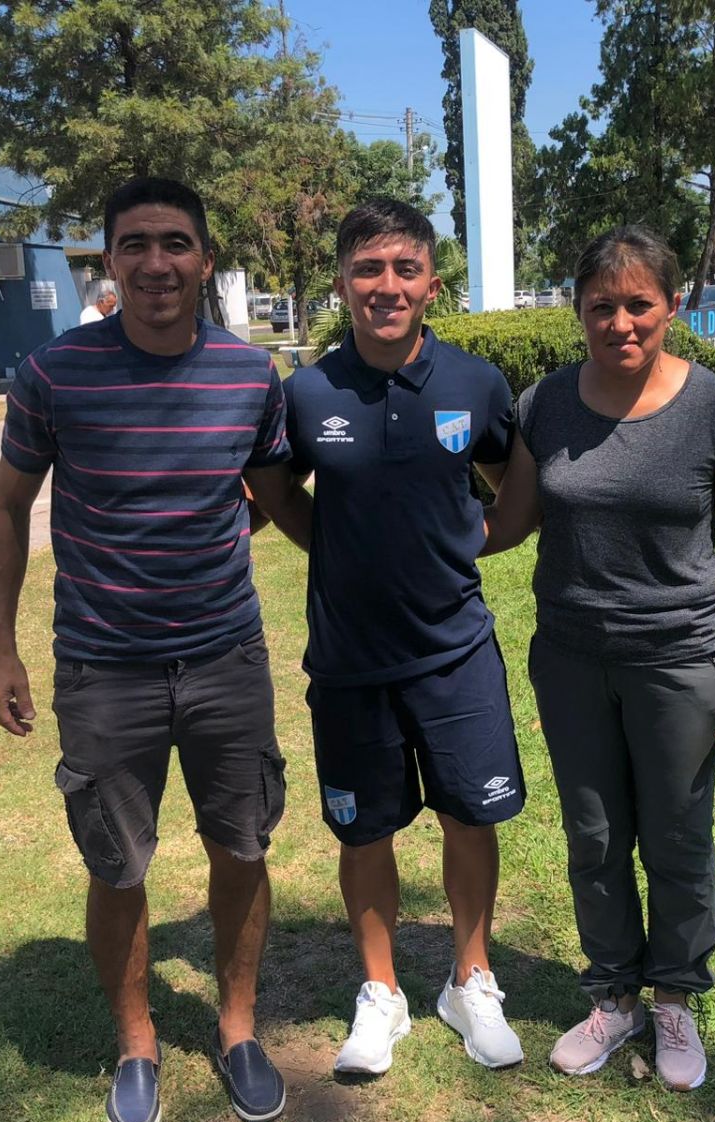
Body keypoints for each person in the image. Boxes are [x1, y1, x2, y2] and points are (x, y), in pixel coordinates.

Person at [0, 176, 298, 1122]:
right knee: (117, 864)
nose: (156, 263)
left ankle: (237, 1029)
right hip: (103, 670)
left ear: (205, 259)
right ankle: (137, 1043)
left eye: (175, 243)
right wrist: (0, 648)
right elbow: (7, 507)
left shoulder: (250, 376)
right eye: (135, 245)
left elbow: (276, 497)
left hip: (226, 661)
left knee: (242, 847)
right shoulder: (53, 374)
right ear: (109, 261)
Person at [483, 225, 715, 1091]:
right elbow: (510, 521)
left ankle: (676, 997)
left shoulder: (713, 408)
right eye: (601, 306)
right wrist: (414, 529)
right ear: (579, 312)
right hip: (571, 660)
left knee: (677, 838)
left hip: (680, 661)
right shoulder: (545, 405)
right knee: (595, 836)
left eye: (639, 304)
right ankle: (615, 996)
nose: (621, 323)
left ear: (672, 307)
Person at [265, 198, 526, 1076]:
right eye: (368, 269)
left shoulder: (474, 383)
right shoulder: (307, 394)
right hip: (350, 661)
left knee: (470, 816)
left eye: (405, 269)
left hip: (456, 653)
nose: (387, 286)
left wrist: (470, 541)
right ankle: (381, 994)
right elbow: (277, 493)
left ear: (431, 285)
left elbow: (510, 482)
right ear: (342, 284)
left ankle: (470, 980)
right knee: (363, 831)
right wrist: (332, 547)